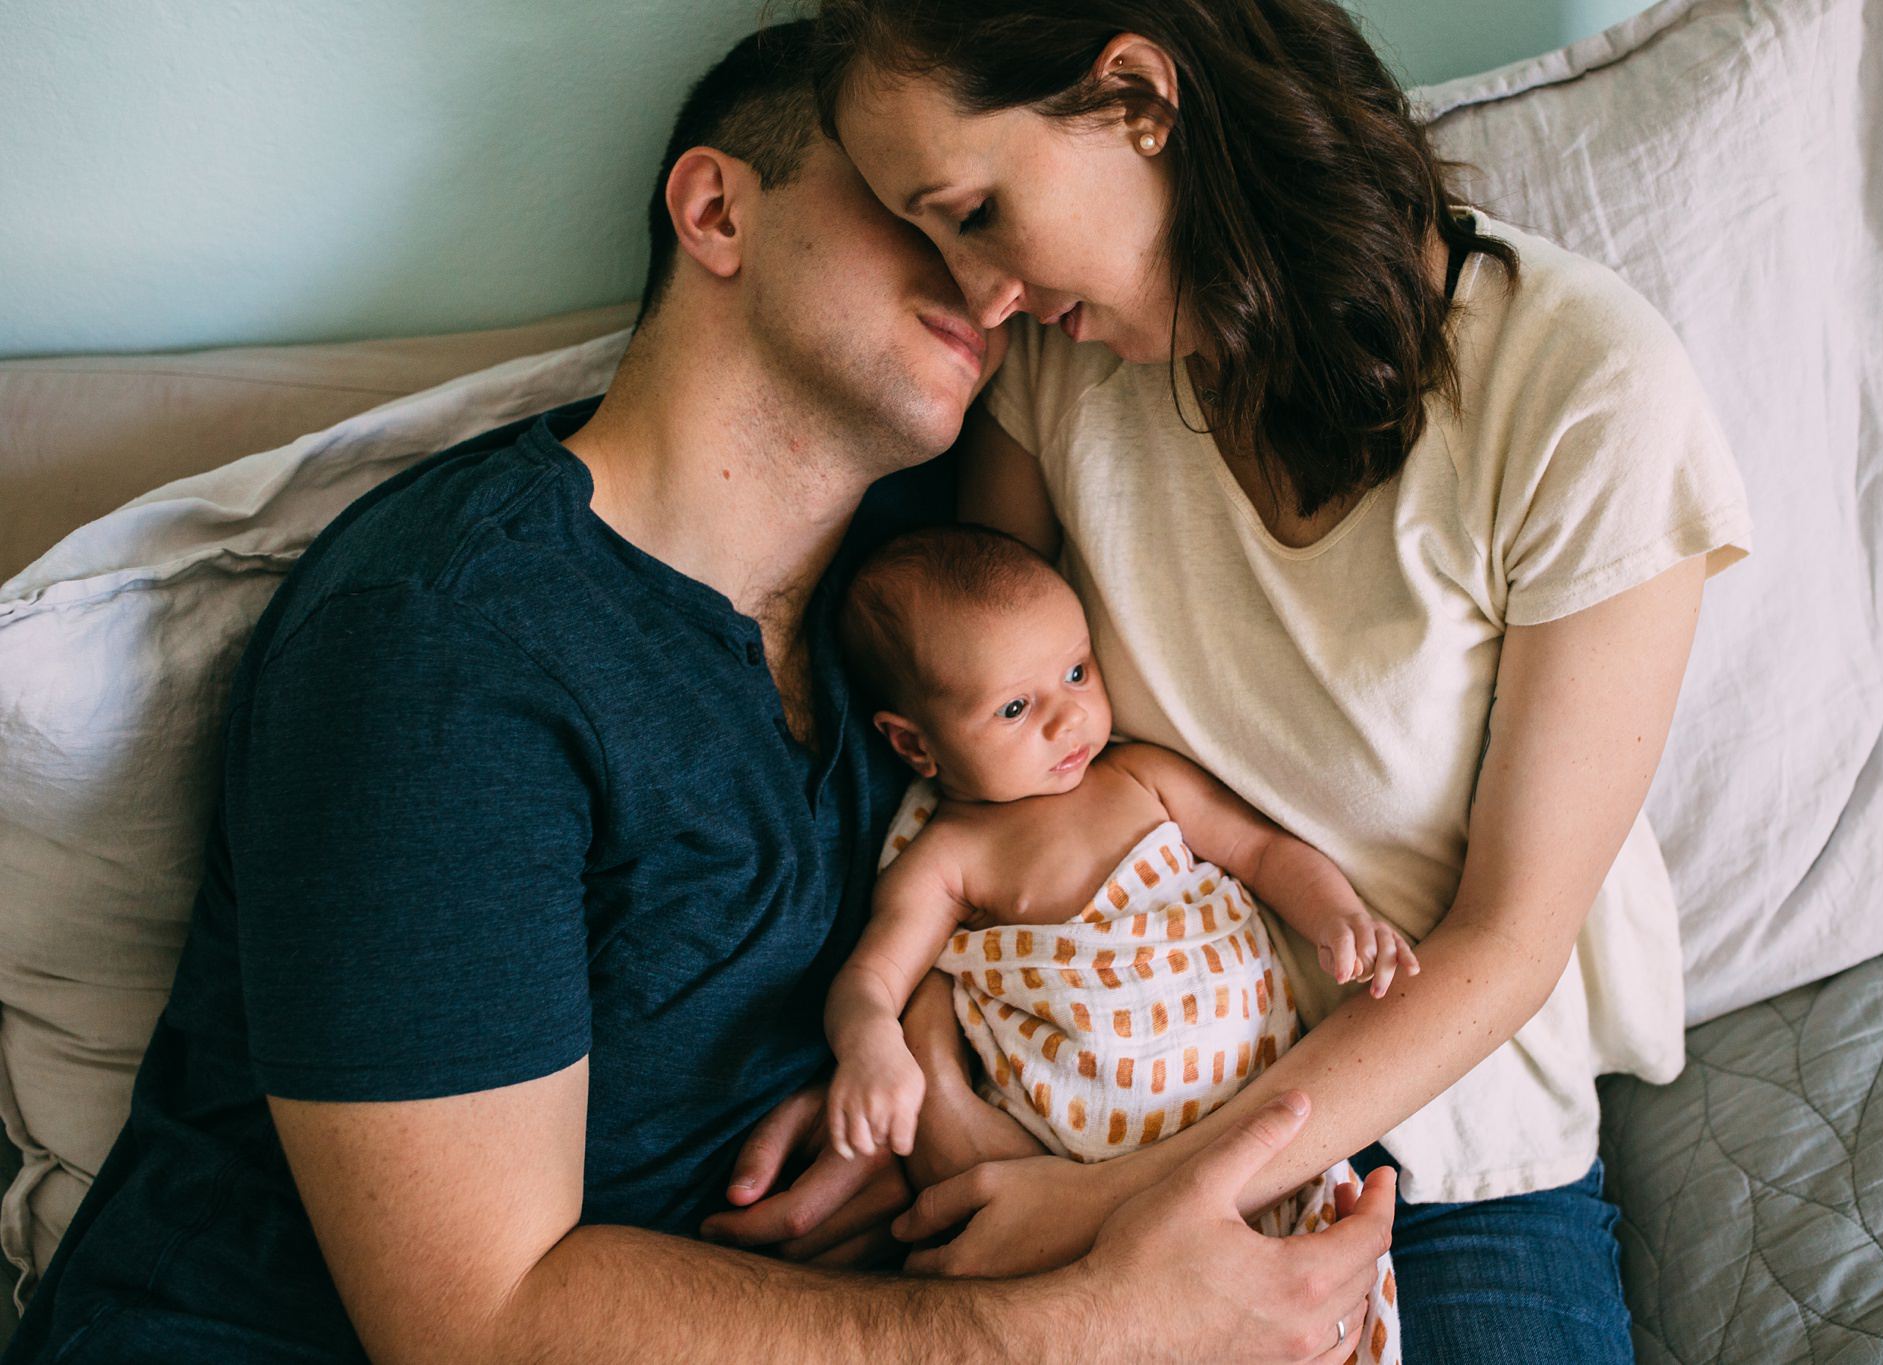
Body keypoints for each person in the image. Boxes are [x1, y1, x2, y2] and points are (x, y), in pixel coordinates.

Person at [0, 22, 1392, 1365]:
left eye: (988, 220)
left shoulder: (926, 605)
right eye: (922, 216)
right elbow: (473, 1324)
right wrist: (1090, 1328)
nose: (997, 278)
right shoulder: (447, 644)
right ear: (717, 212)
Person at [806, 1, 1755, 1359]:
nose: (983, 289)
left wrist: (1109, 1209)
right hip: (1084, 1089)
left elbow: (1505, 946)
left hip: (1437, 1143)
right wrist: (910, 1081)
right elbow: (969, 781)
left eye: (978, 213)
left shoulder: (1583, 393)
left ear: (1139, 97)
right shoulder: (1058, 371)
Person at [821, 521, 1412, 1360]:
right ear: (915, 742)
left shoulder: (1139, 775)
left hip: (1258, 1130)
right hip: (1083, 1192)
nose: (1068, 718)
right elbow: (871, 979)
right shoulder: (946, 860)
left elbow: (1261, 851)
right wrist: (870, 1043)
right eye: (1017, 706)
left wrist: (1337, 916)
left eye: (1076, 671)